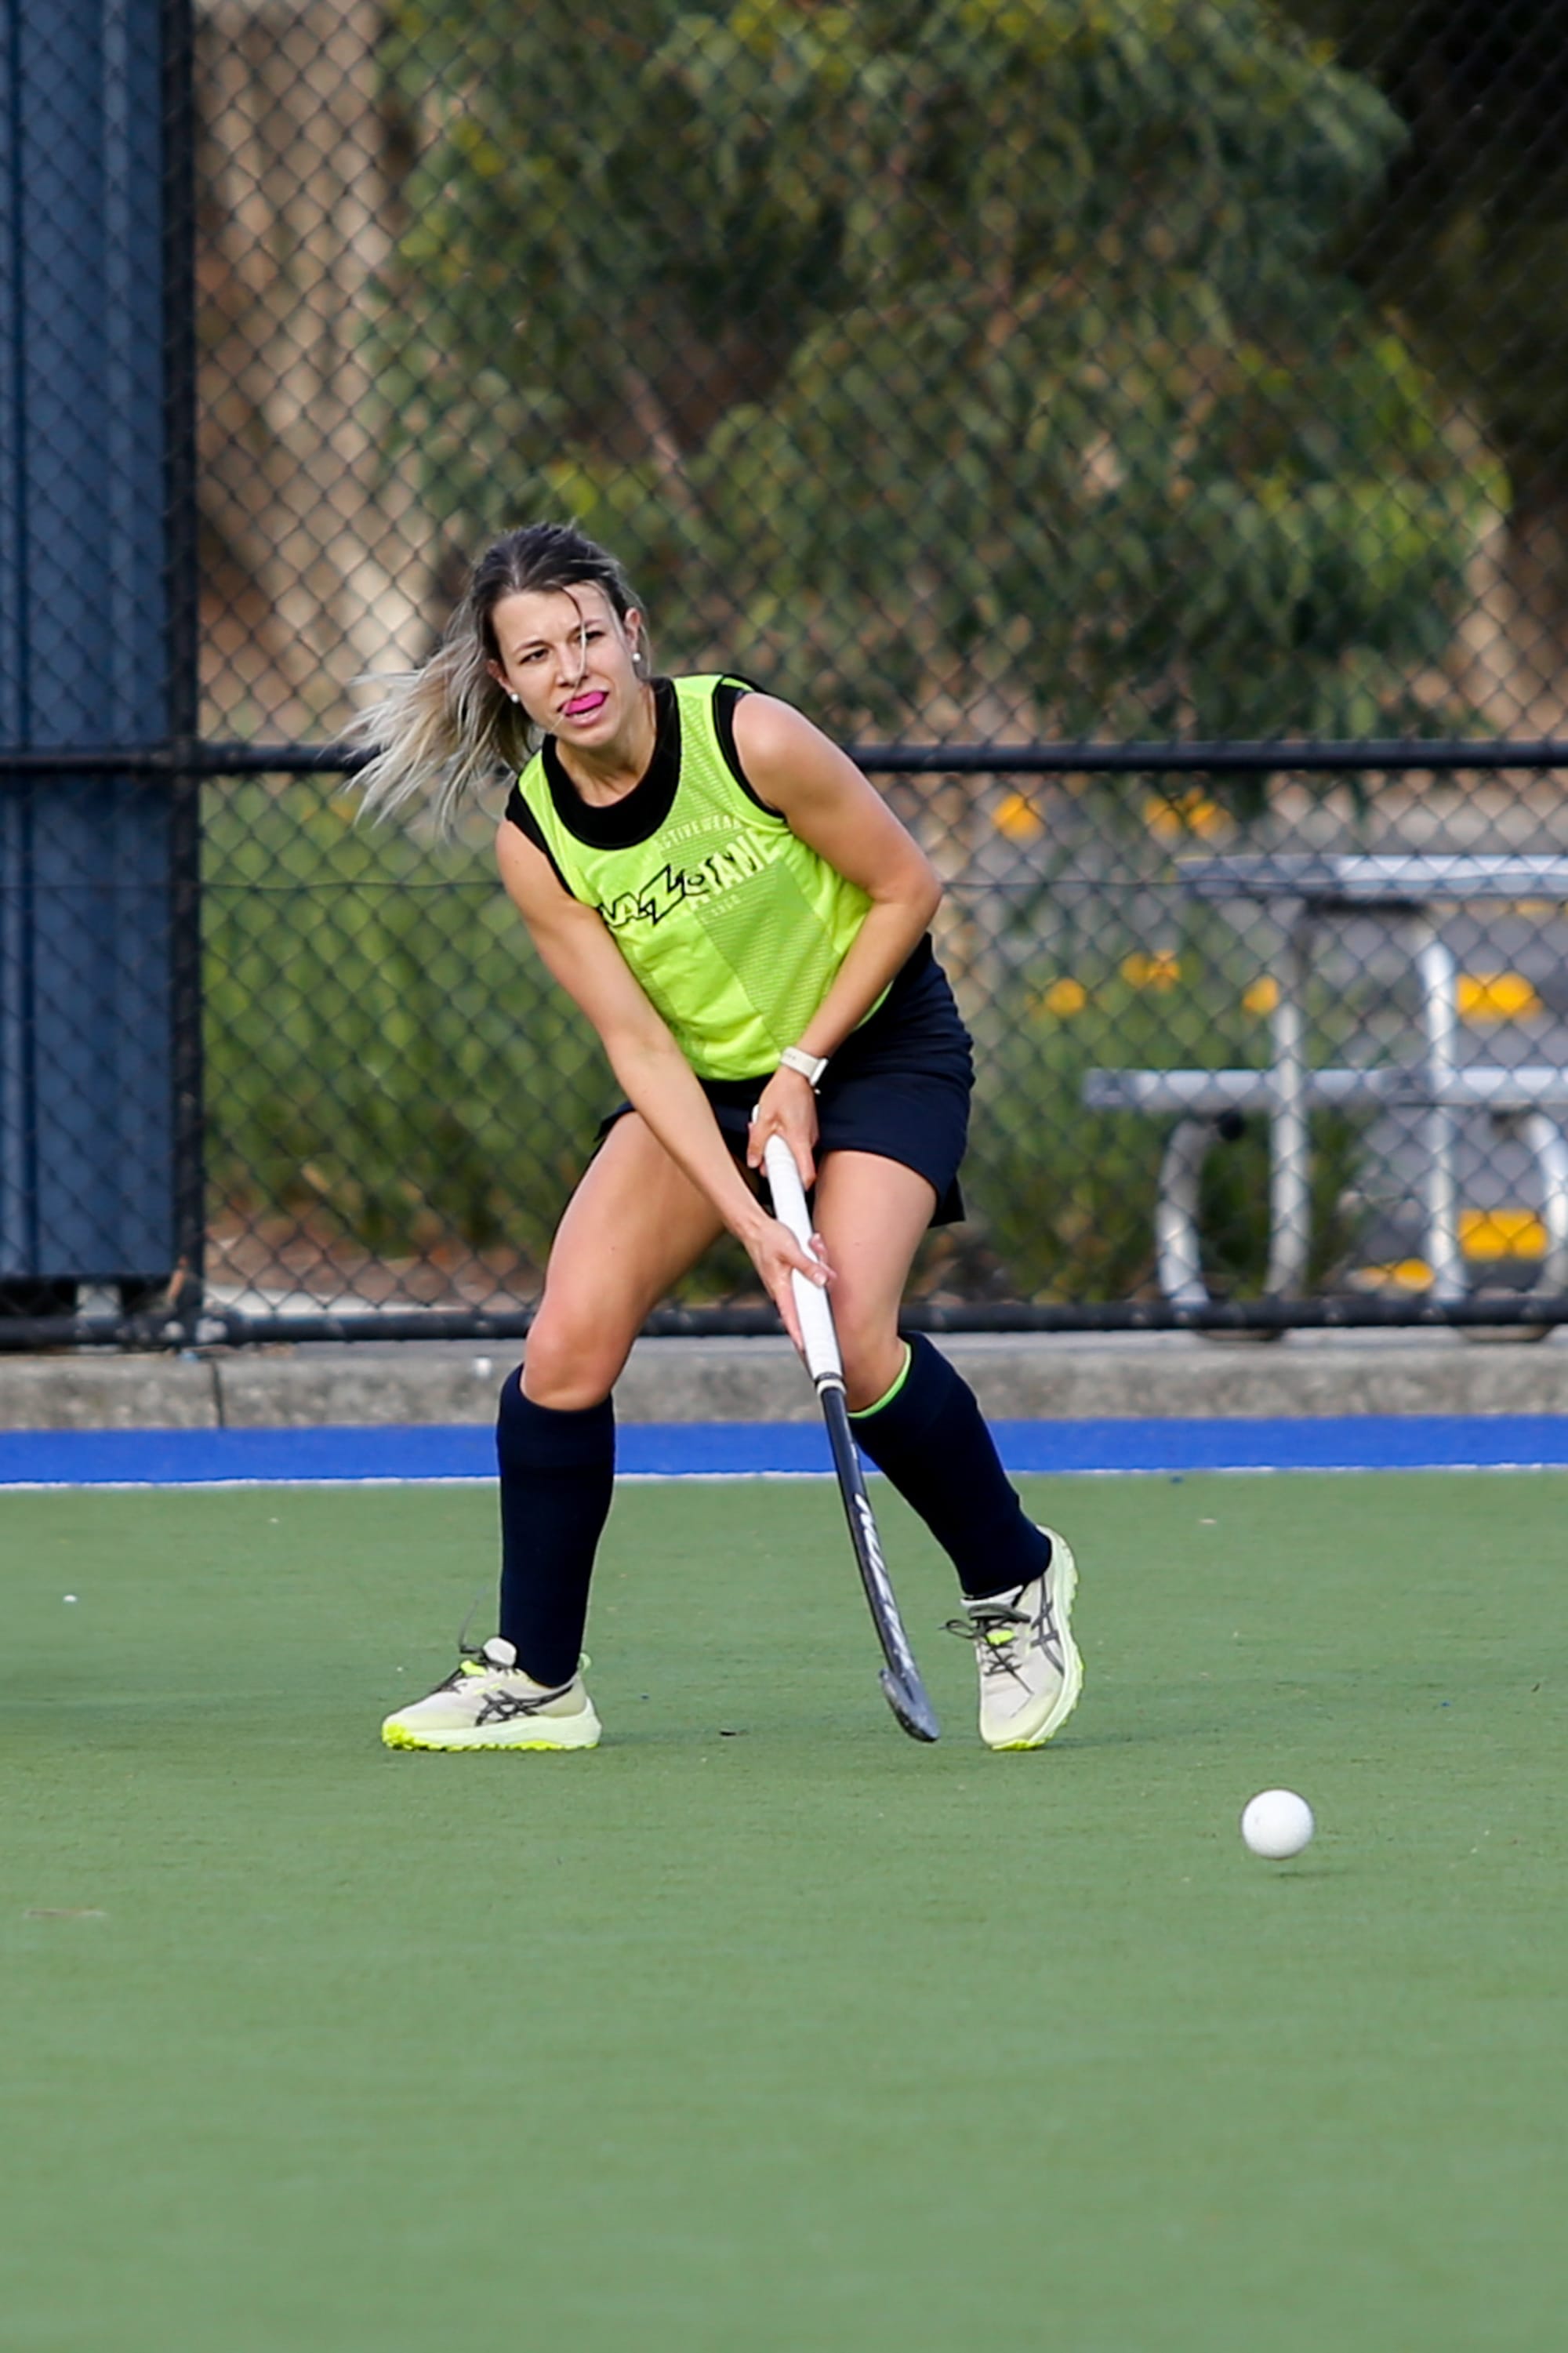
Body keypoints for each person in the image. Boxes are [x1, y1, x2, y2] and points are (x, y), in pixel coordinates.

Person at [353, 522, 1081, 1753]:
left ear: (633, 635)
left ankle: (1015, 1583)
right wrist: (742, 1208)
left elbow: (908, 888)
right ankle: (539, 1675)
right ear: (505, 681)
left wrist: (803, 1065)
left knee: (847, 1325)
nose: (571, 668)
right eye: (537, 654)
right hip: (704, 1083)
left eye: (588, 634)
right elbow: (641, 1047)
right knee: (567, 1343)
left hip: (878, 1045)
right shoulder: (536, 840)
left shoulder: (750, 737)